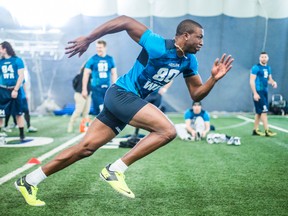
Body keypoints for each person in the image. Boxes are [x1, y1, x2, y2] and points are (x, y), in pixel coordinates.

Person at [15, 15, 233, 206]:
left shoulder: (189, 61)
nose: (202, 42)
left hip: (125, 101)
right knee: (167, 130)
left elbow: (196, 94)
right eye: (199, 37)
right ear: (185, 36)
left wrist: (213, 79)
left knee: (85, 148)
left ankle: (29, 181)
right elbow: (125, 21)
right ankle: (115, 169)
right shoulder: (157, 45)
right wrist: (89, 39)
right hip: (121, 94)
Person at [119, 83, 172, 148]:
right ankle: (136, 134)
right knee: (139, 114)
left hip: (156, 95)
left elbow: (171, 78)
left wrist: (164, 89)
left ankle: (154, 134)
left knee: (154, 116)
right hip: (145, 95)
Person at [82, 40, 117, 116]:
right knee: (99, 110)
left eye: (100, 47)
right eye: (97, 47)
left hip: (107, 88)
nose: (98, 49)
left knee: (108, 110)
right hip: (96, 88)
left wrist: (115, 87)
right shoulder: (93, 59)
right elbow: (86, 74)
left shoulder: (110, 59)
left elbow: (114, 73)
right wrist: (84, 89)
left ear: (105, 48)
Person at [0, 41, 25, 141]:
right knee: (0, 114)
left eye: (0, 48)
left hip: (14, 89)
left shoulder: (17, 60)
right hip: (3, 90)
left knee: (18, 113)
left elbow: (21, 76)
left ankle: (21, 134)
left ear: (5, 48)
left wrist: (15, 89)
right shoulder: (0, 62)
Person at [250, 51, 277, 137]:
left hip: (265, 92)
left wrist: (273, 82)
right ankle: (267, 130)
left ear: (268, 58)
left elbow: (269, 79)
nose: (264, 58)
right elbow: (251, 80)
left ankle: (255, 130)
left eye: (265, 57)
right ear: (259, 58)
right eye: (262, 57)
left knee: (259, 112)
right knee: (264, 111)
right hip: (258, 92)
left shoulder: (268, 68)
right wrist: (255, 93)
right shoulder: (256, 68)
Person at [67, 63, 92, 133]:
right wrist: (79, 91)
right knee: (78, 111)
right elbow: (74, 84)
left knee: (86, 112)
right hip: (80, 94)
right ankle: (71, 124)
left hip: (88, 95)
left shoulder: (91, 75)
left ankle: (86, 127)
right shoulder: (80, 75)